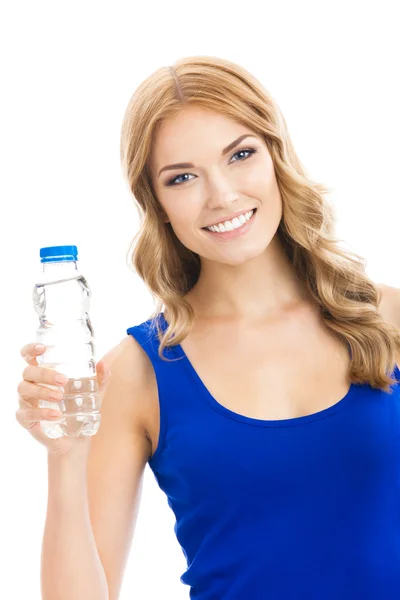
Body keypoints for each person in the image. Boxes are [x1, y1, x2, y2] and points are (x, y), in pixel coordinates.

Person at [16, 55, 400, 600]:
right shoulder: (136, 372)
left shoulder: (389, 319)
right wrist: (65, 457)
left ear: (276, 156)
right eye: (183, 177)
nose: (221, 196)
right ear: (158, 205)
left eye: (240, 155)